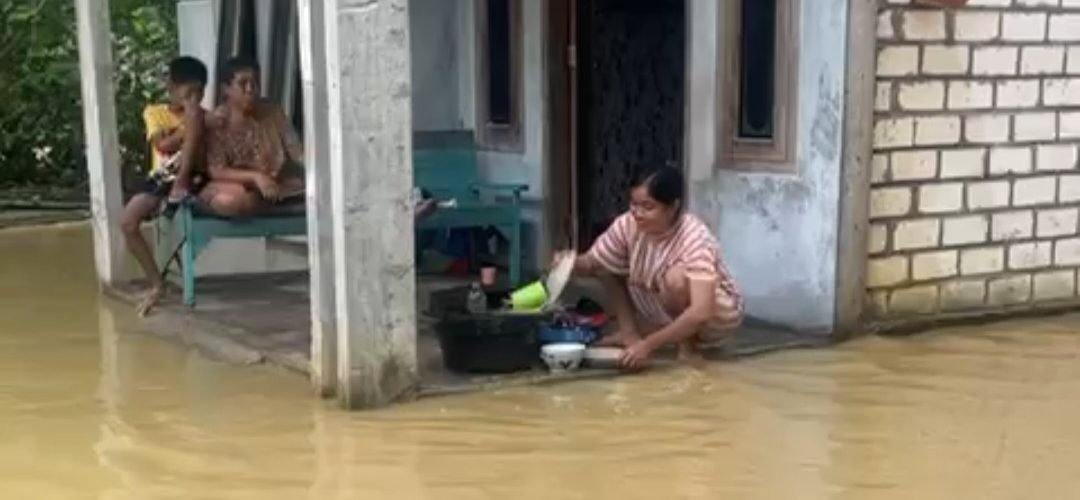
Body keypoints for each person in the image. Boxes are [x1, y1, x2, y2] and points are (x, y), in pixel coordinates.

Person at [556, 167, 743, 369]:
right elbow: (594, 262)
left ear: (672, 207)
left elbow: (701, 311)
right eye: (633, 204)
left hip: (717, 316)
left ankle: (688, 347)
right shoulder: (627, 224)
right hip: (659, 306)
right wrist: (570, 262)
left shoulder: (694, 237)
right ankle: (630, 334)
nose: (637, 213)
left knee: (676, 279)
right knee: (607, 266)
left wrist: (648, 346)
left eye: (647, 207)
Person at [120, 56, 209, 317]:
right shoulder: (155, 112)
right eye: (188, 92)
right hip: (162, 177)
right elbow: (162, 145)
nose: (194, 98)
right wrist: (192, 125)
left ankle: (180, 188)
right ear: (171, 87)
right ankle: (157, 283)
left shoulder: (206, 116)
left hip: (196, 175)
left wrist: (197, 120)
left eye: (199, 92)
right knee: (128, 222)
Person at [201, 57, 304, 217]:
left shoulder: (274, 112)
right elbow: (217, 170)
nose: (250, 89)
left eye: (255, 83)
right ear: (226, 89)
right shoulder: (216, 121)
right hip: (236, 187)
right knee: (230, 201)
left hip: (276, 185)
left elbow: (298, 152)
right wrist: (256, 177)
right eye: (243, 83)